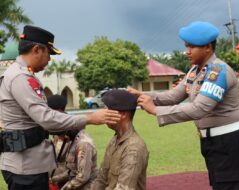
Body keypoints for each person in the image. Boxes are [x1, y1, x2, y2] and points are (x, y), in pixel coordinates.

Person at [128, 21, 239, 190]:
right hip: (212, 141)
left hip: (227, 142)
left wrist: (156, 110)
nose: (187, 52)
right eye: (186, 46)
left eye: (192, 47)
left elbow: (199, 109)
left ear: (207, 47)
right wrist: (142, 96)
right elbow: (173, 96)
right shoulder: (195, 71)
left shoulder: (218, 72)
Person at [0, 25, 121, 190]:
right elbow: (47, 119)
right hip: (26, 166)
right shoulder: (20, 77)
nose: (49, 60)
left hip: (27, 162)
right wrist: (90, 118)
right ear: (37, 49)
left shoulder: (17, 74)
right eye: (48, 53)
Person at [92, 89, 149, 190]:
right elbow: (101, 178)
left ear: (123, 115)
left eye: (107, 109)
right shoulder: (115, 139)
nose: (103, 113)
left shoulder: (134, 148)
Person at [47, 95, 98, 190]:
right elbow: (71, 171)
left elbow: (82, 177)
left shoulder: (84, 144)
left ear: (67, 132)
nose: (58, 139)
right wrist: (53, 180)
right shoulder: (68, 139)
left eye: (59, 136)